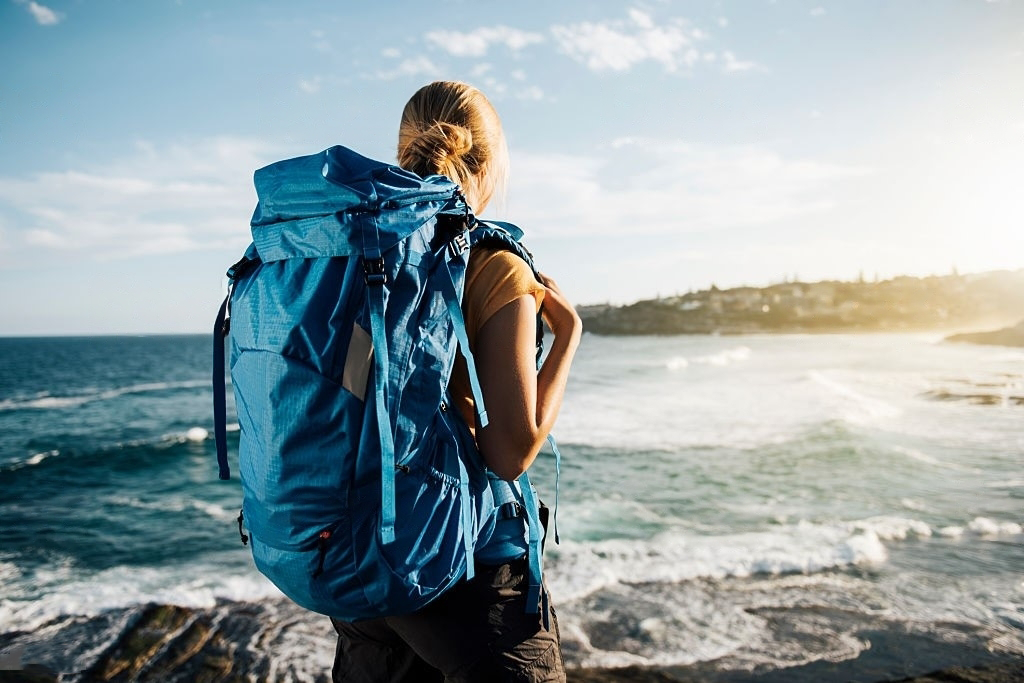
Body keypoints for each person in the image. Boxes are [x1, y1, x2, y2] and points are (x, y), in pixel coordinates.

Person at [330, 81, 582, 682]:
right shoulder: (495, 264)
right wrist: (568, 339)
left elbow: (352, 394)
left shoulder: (365, 258)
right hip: (461, 570)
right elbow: (510, 453)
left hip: (365, 566)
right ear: (489, 164)